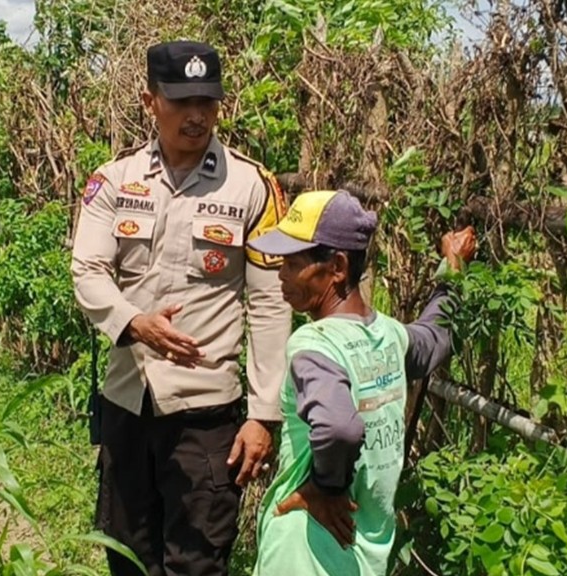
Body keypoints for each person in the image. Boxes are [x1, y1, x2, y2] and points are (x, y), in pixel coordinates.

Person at [70, 40, 292, 576]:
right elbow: (87, 270)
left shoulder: (252, 187)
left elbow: (268, 304)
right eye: (181, 102)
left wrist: (264, 414)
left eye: (208, 103)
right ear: (151, 101)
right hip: (127, 403)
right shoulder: (115, 180)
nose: (197, 116)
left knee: (196, 564)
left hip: (206, 416)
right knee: (127, 555)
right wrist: (133, 324)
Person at [248, 189, 476, 575]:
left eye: (292, 263)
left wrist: (327, 488)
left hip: (304, 546)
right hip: (358, 549)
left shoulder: (312, 344)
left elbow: (339, 428)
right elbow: (436, 337)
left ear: (337, 267)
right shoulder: (388, 336)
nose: (280, 274)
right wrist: (452, 269)